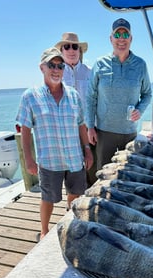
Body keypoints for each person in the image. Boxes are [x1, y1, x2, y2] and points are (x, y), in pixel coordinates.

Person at [16, 47, 93, 240]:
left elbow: (81, 125)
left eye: (60, 65)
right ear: (42, 67)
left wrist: (87, 150)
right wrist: (29, 160)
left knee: (75, 194)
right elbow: (25, 130)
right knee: (48, 198)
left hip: (75, 158)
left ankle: (71, 224)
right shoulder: (30, 96)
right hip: (49, 161)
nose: (56, 69)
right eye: (52, 65)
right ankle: (44, 230)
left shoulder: (74, 95)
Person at [86, 18, 152, 170]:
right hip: (104, 133)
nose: (121, 39)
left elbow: (147, 94)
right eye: (117, 35)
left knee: (128, 174)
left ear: (131, 38)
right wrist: (90, 126)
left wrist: (140, 110)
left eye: (125, 34)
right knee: (103, 176)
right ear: (111, 39)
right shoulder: (100, 63)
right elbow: (90, 98)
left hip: (130, 133)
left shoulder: (140, 65)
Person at [55, 32, 97, 186]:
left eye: (75, 47)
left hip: (89, 129)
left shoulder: (91, 72)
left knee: (93, 170)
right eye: (67, 46)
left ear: (80, 51)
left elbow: (96, 101)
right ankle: (73, 204)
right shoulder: (55, 73)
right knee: (72, 174)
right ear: (62, 51)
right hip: (66, 132)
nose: (71, 50)